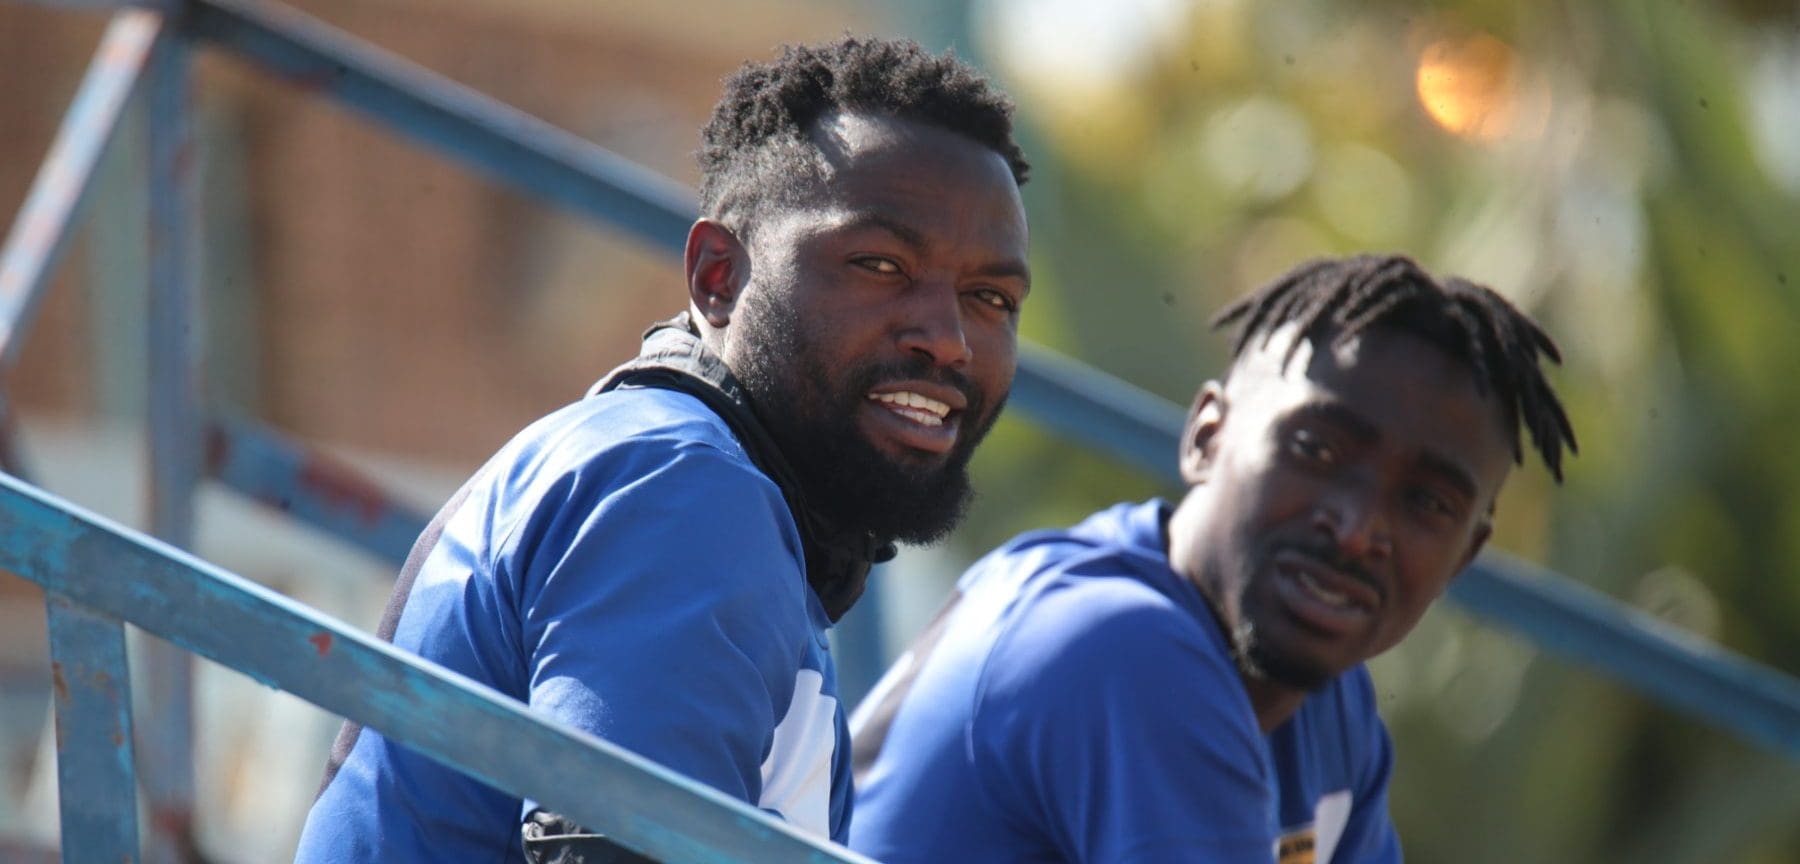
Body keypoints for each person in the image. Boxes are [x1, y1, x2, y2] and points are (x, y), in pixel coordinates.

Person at [296, 36, 1030, 862]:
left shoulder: (684, 479)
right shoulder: (682, 491)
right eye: (881, 263)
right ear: (719, 276)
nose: (950, 340)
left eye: (990, 296)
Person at [849, 255, 1577, 863]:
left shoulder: (1330, 704)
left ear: (1465, 555)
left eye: (1427, 503)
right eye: (1315, 450)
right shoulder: (1122, 647)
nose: (1357, 530)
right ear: (1206, 437)